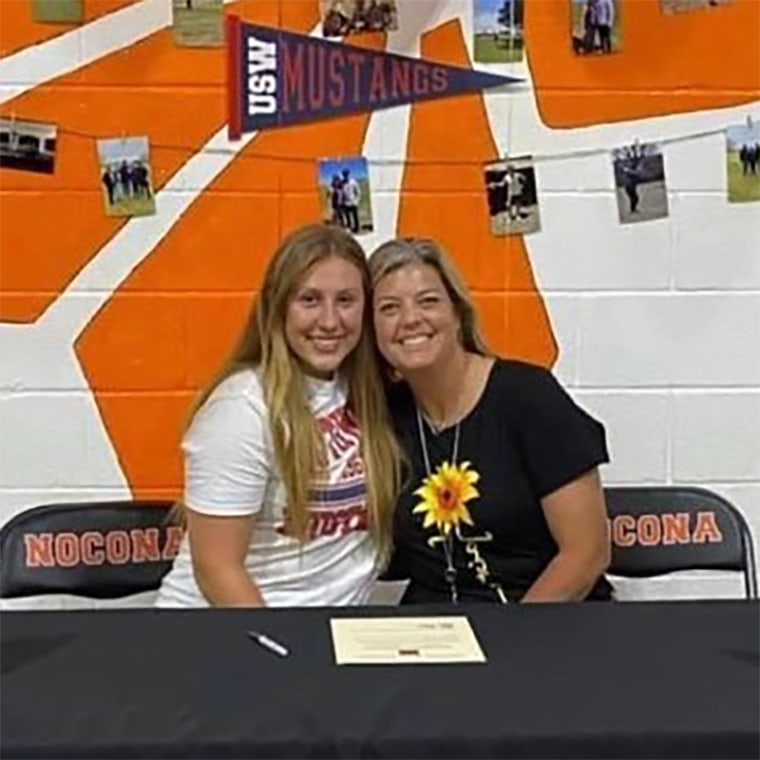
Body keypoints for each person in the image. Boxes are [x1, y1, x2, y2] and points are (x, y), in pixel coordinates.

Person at [155, 223, 401, 607]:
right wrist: (282, 656)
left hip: (328, 633)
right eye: (309, 299)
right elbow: (217, 569)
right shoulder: (242, 409)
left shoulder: (367, 392)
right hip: (237, 629)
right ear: (278, 307)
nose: (330, 320)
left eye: (347, 300)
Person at [369, 237, 612, 604]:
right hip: (435, 629)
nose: (410, 319)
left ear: (458, 314)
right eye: (389, 308)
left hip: (544, 620)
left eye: (428, 301)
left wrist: (512, 642)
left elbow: (586, 554)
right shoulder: (381, 416)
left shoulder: (529, 397)